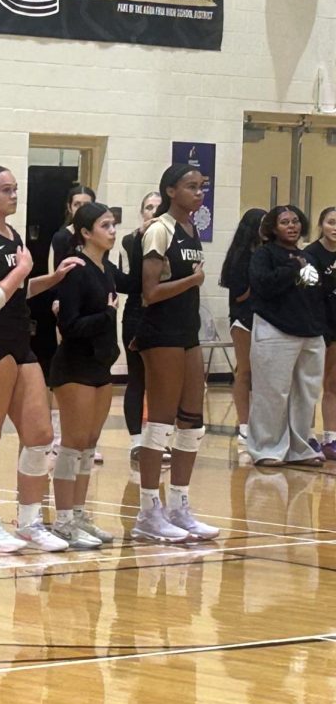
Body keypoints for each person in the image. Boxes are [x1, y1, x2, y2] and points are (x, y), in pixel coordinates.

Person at [0, 164, 81, 553]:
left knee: (39, 436)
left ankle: (28, 522)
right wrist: (23, 269)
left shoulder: (12, 235)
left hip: (17, 340)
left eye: (15, 189)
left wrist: (49, 278)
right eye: (5, 189)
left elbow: (15, 291)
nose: (13, 195)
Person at [131, 164, 218, 543]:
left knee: (192, 422)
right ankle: (149, 510)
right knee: (161, 422)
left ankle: (180, 505)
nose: (198, 193)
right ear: (170, 190)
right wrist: (193, 281)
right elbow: (149, 292)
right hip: (161, 331)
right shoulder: (159, 229)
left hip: (187, 332)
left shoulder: (191, 230)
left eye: (202, 187)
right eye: (190, 186)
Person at [49, 202, 120, 548]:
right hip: (74, 365)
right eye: (105, 225)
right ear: (85, 233)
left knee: (90, 444)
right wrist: (106, 315)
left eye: (113, 225)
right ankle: (62, 520)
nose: (112, 231)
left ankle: (78, 513)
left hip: (100, 365)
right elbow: (69, 324)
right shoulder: (77, 270)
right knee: (72, 443)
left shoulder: (106, 268)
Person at [246, 206, 326, 467]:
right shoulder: (264, 254)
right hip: (275, 329)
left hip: (309, 332)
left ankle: (300, 447)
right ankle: (266, 448)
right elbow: (263, 286)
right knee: (272, 392)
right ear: (272, 228)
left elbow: (311, 291)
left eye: (295, 221)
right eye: (284, 222)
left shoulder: (308, 256)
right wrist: (292, 269)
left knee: (306, 394)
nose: (292, 226)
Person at [42, 184, 96, 463]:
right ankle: (60, 435)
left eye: (87, 204)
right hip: (68, 308)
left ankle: (86, 437)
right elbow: (54, 272)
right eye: (77, 204)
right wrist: (56, 300)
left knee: (92, 372)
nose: (81, 209)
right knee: (67, 370)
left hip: (94, 311)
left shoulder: (99, 236)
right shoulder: (62, 237)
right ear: (69, 207)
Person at [117, 192, 161, 459]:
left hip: (164, 315)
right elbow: (128, 281)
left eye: (158, 207)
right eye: (148, 207)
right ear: (141, 213)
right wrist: (139, 240)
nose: (153, 212)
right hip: (136, 312)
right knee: (137, 377)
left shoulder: (172, 237)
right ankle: (136, 441)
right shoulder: (129, 240)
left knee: (162, 381)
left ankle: (158, 440)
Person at [219, 208, 267, 448]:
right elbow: (240, 294)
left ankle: (261, 424)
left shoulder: (268, 253)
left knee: (264, 375)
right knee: (245, 371)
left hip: (267, 320)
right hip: (243, 319)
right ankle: (244, 425)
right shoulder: (240, 256)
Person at [304, 206, 336, 460]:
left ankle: (331, 437)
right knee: (313, 383)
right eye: (331, 222)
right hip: (318, 325)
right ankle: (307, 436)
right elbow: (307, 290)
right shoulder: (310, 254)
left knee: (333, 384)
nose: (335, 228)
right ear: (321, 224)